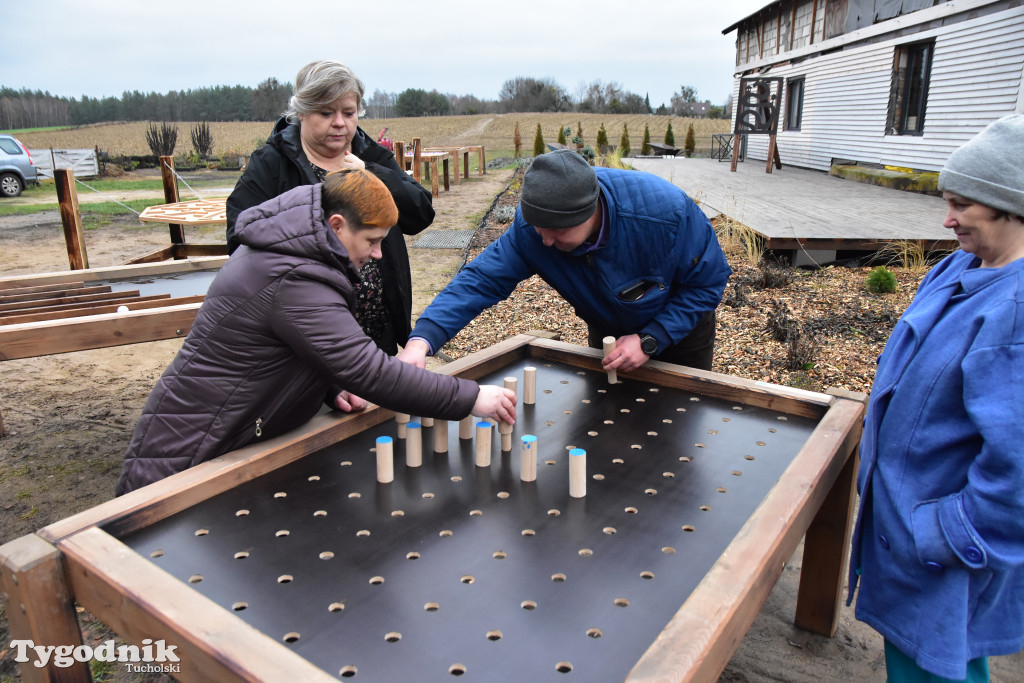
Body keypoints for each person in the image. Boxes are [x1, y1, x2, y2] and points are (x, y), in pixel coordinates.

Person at [116, 170, 515, 495]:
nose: (377, 254)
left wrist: (326, 382)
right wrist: (471, 397)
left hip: (229, 433)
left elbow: (289, 348)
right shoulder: (293, 277)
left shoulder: (298, 253)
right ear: (337, 225)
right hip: (191, 451)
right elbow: (369, 371)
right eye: (372, 241)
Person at [847, 114, 1024, 681]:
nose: (946, 220)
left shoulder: (1015, 311)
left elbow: (1017, 463)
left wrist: (950, 534)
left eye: (961, 206)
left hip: (945, 545)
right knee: (916, 656)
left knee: (939, 665)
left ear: (1009, 205)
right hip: (908, 523)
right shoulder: (957, 267)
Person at [398, 148, 732, 374]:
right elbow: (480, 280)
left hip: (682, 332)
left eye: (556, 232)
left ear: (589, 212)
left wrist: (651, 338)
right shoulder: (533, 232)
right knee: (610, 421)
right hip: (609, 331)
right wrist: (422, 341)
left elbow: (708, 283)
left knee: (682, 424)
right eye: (539, 229)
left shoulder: (665, 215)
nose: (545, 241)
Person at [226, 59, 432, 356]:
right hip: (306, 334)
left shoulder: (370, 154)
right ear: (301, 112)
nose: (340, 123)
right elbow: (239, 235)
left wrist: (373, 174)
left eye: (349, 113)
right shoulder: (271, 163)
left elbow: (421, 213)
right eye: (326, 113)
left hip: (377, 332)